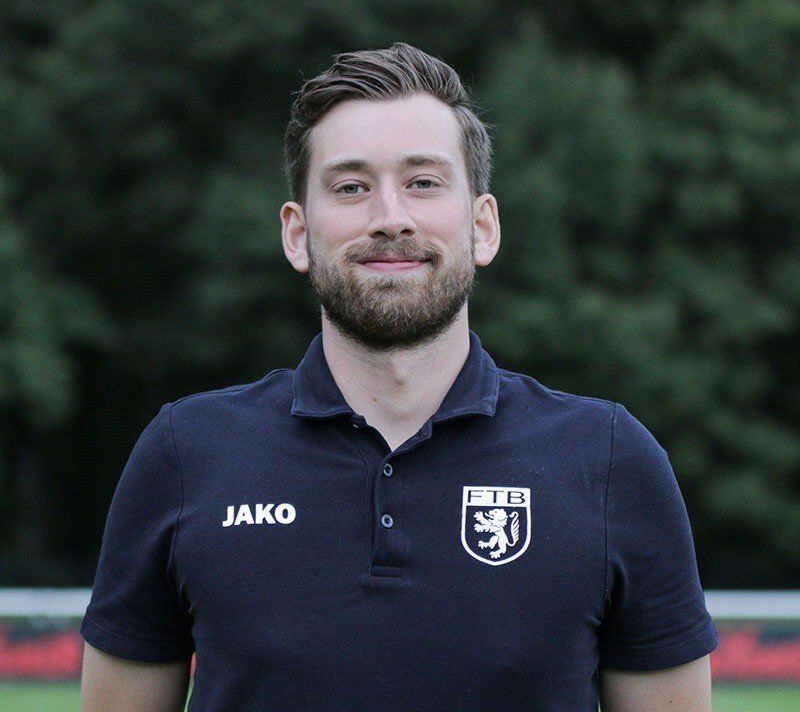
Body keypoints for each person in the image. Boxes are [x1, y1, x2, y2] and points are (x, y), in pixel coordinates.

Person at [80, 44, 718, 711]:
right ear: (297, 234)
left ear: (483, 226)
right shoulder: (185, 454)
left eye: (424, 182)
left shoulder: (610, 461)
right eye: (351, 187)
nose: (390, 217)